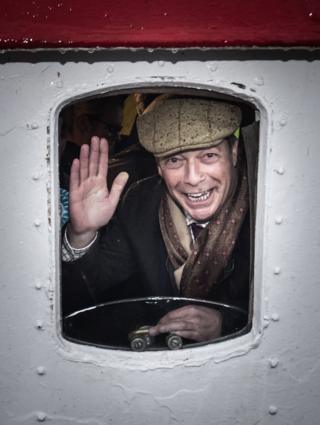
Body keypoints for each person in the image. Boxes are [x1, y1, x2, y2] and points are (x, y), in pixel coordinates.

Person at [62, 96, 256, 343]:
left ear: (234, 152)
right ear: (158, 166)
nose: (193, 178)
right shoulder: (141, 202)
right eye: (174, 160)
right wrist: (82, 234)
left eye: (208, 155)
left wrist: (226, 324)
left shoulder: (265, 206)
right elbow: (93, 287)